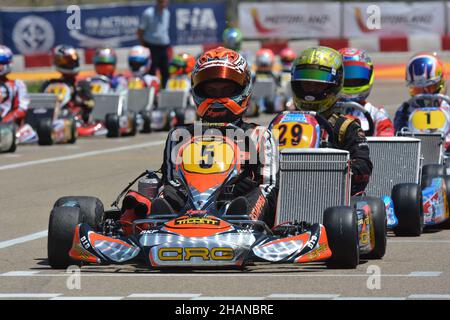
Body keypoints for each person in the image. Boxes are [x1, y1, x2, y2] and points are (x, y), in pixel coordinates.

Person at [121, 47, 278, 228]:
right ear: (198, 91)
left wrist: (233, 189)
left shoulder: (258, 135)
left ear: (244, 90)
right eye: (211, 91)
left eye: (226, 90)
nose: (217, 98)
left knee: (261, 192)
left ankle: (245, 222)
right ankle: (162, 220)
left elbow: (269, 186)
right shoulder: (181, 135)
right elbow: (172, 180)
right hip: (188, 204)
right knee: (165, 190)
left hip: (235, 204)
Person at [290, 46, 373, 195]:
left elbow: (363, 167)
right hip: (285, 191)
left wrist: (331, 170)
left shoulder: (345, 127)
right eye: (306, 84)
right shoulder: (284, 121)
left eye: (317, 85)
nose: (310, 90)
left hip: (329, 194)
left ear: (333, 86)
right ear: (297, 84)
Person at [339, 47, 394, 137]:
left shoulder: (377, 115)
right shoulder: (325, 111)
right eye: (347, 79)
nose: (352, 81)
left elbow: (387, 147)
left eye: (357, 79)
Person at [394, 52, 449, 134]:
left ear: (440, 83)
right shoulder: (405, 110)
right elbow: (399, 135)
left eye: (430, 87)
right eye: (418, 89)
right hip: (417, 145)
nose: (424, 94)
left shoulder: (448, 107)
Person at [41, 45, 94, 123]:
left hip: (73, 115)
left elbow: (91, 103)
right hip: (50, 114)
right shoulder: (49, 83)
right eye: (68, 61)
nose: (72, 63)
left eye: (73, 60)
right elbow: (38, 102)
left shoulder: (81, 84)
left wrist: (79, 100)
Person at [137, 0, 171, 89]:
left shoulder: (167, 13)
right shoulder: (148, 13)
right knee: (151, 72)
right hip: (151, 47)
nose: (163, 3)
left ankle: (164, 92)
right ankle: (151, 93)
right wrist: (144, 47)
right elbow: (140, 31)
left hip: (163, 47)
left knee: (166, 72)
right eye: (161, 1)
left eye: (165, 1)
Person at [0, 45, 28, 125]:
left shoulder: (17, 84)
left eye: (0, 63)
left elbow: (22, 108)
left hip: (7, 127)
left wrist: (6, 120)